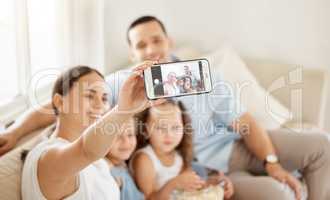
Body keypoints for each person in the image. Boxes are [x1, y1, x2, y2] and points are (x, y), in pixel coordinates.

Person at [2, 15, 330, 200]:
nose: (151, 49)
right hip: (190, 167)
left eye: (156, 40)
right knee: (279, 194)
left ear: (168, 41)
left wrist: (271, 160)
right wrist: (16, 130)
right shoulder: (121, 85)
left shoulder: (201, 76)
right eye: (141, 45)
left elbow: (244, 120)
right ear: (132, 54)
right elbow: (60, 103)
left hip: (232, 149)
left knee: (319, 144)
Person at [21, 63, 164, 200]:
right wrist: (124, 110)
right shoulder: (47, 157)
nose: (100, 105)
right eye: (89, 95)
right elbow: (85, 150)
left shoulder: (99, 161)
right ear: (60, 102)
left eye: (104, 98)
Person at [131, 100, 233, 200]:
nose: (169, 135)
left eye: (175, 127)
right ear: (145, 130)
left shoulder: (179, 157)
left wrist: (214, 182)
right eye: (161, 128)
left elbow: (192, 186)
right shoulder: (144, 159)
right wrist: (174, 184)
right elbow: (149, 198)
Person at [105, 116, 144, 200]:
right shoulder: (112, 176)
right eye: (117, 136)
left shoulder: (121, 164)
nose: (126, 141)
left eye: (130, 135)